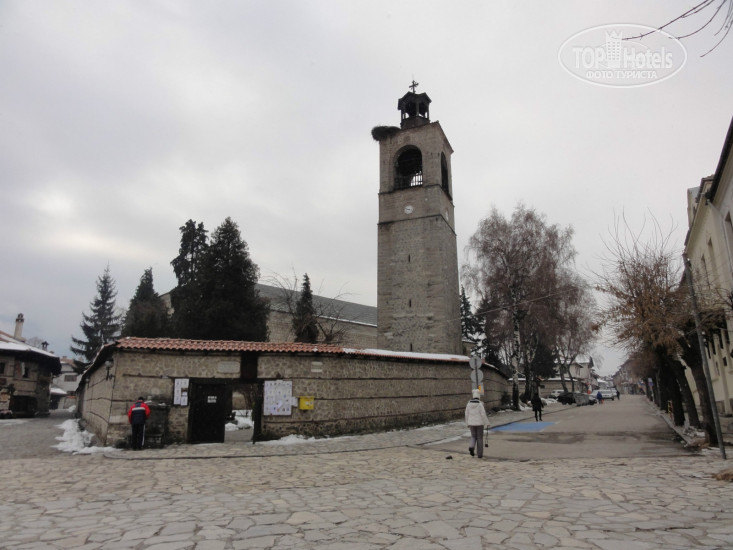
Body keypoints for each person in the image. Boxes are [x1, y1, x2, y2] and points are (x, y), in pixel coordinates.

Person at [465, 389, 490, 458]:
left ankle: (471, 446)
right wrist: (487, 423)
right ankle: (480, 454)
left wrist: (467, 423)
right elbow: (483, 414)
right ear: (478, 396)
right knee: (479, 438)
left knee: (473, 436)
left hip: (471, 423)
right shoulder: (480, 404)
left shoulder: (468, 404)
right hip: (479, 424)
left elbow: (466, 414)